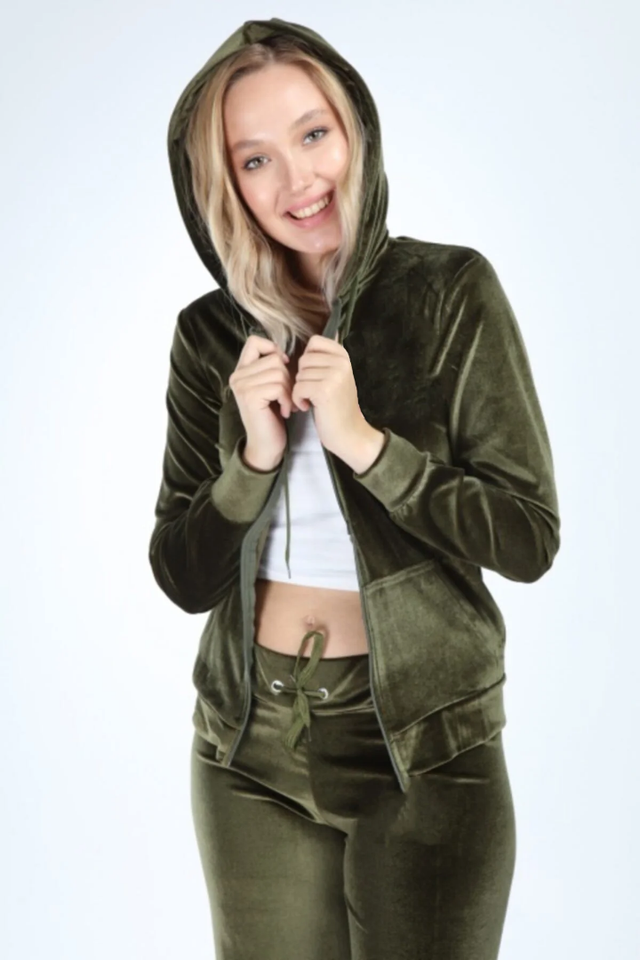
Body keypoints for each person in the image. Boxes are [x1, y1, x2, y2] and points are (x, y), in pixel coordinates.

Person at [148, 16, 561, 960]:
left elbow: (528, 536)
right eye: (255, 160)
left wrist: (367, 446)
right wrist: (252, 465)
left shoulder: (450, 293)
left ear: (355, 132)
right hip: (246, 747)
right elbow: (181, 574)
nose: (297, 180)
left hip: (423, 746)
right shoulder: (210, 338)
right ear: (223, 186)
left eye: (313, 134)